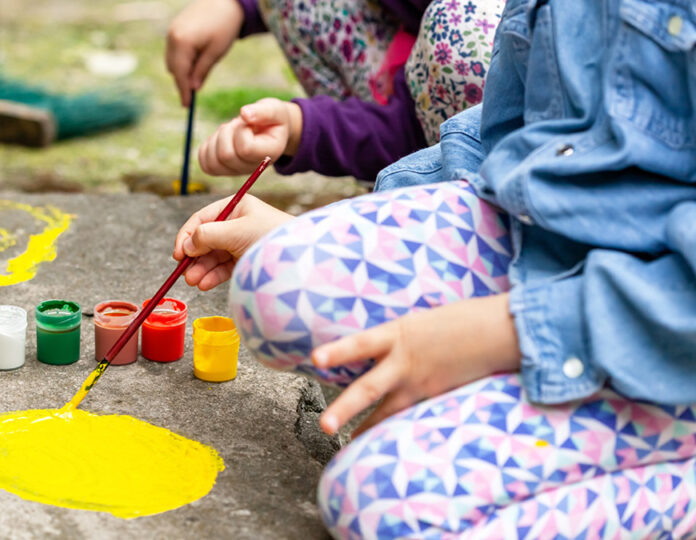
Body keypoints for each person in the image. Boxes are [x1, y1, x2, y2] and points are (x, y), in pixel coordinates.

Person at [173, 0, 696, 536]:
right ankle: (520, 410)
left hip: (668, 338)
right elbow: (502, 142)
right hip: (556, 243)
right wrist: (345, 230)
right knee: (276, 281)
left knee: (379, 500)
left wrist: (507, 331)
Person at [165, 0, 505, 181]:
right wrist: (237, 6)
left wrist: (303, 126)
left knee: (462, 30)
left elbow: (407, 130)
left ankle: (428, 196)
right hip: (437, 84)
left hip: (497, 147)